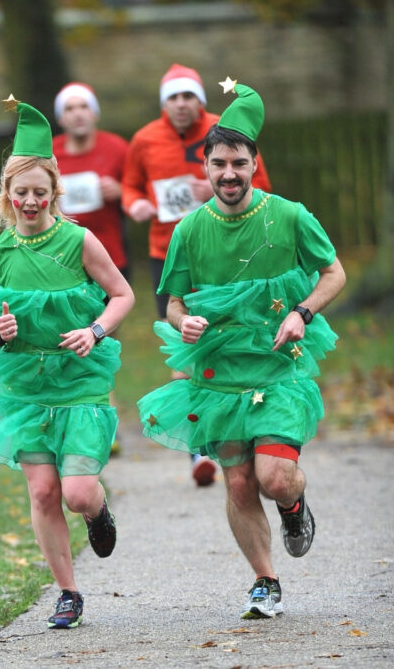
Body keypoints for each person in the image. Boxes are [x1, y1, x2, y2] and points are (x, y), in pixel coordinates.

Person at [136, 80, 346, 619]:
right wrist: (184, 323)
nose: (228, 174)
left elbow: (333, 272)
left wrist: (303, 313)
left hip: (278, 362)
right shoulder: (187, 231)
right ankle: (265, 581)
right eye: (218, 164)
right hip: (218, 369)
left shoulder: (292, 215)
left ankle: (294, 506)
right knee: (237, 479)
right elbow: (173, 304)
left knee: (274, 477)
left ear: (255, 163)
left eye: (238, 162)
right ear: (204, 168)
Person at [0, 96, 134, 630]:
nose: (29, 201)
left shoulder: (78, 241)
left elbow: (122, 295)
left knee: (76, 492)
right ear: (7, 195)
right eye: (20, 193)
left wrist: (95, 330)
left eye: (39, 193)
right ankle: (68, 592)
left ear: (53, 193)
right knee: (43, 490)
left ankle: (97, 510)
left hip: (78, 379)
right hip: (23, 383)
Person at [121, 63, 274, 487]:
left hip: (227, 255)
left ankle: (252, 437)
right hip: (166, 254)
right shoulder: (144, 139)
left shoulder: (227, 135)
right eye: (173, 97)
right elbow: (130, 184)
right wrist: (135, 205)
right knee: (185, 347)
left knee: (230, 347)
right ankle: (197, 451)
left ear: (201, 100)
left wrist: (219, 188)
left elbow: (263, 186)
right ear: (163, 104)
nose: (182, 104)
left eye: (189, 96)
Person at [52, 82, 130, 278]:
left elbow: (140, 189)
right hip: (61, 255)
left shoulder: (117, 148)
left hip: (109, 253)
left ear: (95, 113)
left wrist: (120, 190)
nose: (78, 114)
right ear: (60, 118)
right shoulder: (49, 154)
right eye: (69, 109)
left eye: (84, 107)